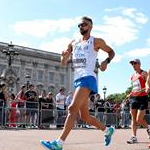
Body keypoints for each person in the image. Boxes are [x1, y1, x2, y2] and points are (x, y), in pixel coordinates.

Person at [40, 16, 115, 150]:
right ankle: (107, 130)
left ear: (90, 26)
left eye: (84, 25)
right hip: (77, 80)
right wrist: (63, 56)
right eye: (79, 25)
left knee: (72, 108)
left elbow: (111, 52)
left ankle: (59, 143)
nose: (81, 27)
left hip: (88, 77)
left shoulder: (96, 41)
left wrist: (105, 62)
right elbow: (63, 63)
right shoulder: (73, 43)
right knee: (84, 116)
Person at [127, 59, 150, 144]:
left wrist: (142, 90)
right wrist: (130, 94)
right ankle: (134, 137)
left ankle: (148, 128)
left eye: (135, 63)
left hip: (143, 98)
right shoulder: (132, 76)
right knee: (133, 118)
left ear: (139, 64)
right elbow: (134, 88)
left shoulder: (144, 73)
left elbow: (148, 86)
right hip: (134, 99)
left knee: (139, 119)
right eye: (132, 64)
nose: (133, 65)